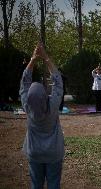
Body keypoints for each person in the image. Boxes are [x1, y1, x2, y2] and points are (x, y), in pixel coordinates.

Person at [19, 43, 64, 189]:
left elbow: (24, 82)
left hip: (34, 153)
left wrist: (32, 60)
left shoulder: (27, 105)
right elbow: (58, 81)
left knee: (36, 185)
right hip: (53, 153)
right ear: (45, 95)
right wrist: (45, 58)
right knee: (53, 185)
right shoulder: (53, 105)